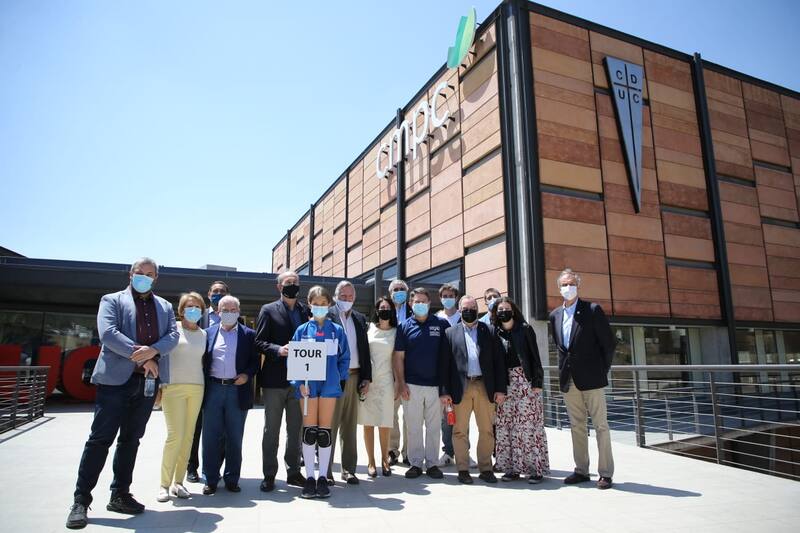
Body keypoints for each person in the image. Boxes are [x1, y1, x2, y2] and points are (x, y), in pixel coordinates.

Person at [67, 258, 179, 530]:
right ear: (130, 274)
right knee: (100, 439)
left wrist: (153, 352)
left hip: (146, 385)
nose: (144, 277)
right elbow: (108, 334)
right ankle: (81, 500)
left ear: (156, 279)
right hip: (115, 383)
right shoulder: (112, 300)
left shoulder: (164, 306)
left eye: (150, 274)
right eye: (140, 273)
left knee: (131, 440)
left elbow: (172, 336)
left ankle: (120, 494)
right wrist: (144, 357)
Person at [549, 269, 616, 489]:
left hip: (593, 379)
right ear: (559, 288)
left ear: (577, 285)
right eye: (564, 285)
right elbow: (560, 348)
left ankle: (605, 473)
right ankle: (581, 470)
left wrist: (601, 370)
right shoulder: (555, 315)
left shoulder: (592, 310)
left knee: (601, 426)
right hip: (569, 380)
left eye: (571, 284)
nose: (567, 288)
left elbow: (608, 344)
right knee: (576, 426)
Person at [291, 285, 350, 498]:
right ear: (309, 305)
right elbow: (294, 360)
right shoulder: (302, 330)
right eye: (315, 304)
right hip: (308, 386)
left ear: (329, 305)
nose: (319, 308)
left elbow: (345, 358)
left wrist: (340, 378)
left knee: (324, 432)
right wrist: (298, 383)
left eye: (323, 304)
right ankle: (309, 478)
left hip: (329, 386)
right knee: (309, 431)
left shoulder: (337, 330)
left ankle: (323, 477)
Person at [442, 295, 506, 484]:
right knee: (459, 430)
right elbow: (444, 365)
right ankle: (462, 469)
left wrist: (501, 389)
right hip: (460, 388)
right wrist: (444, 391)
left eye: (472, 308)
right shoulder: (450, 333)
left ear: (478, 310)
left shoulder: (490, 331)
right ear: (459, 311)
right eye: (465, 308)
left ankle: (485, 468)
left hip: (484, 386)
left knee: (486, 430)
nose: (468, 311)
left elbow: (499, 362)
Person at [255, 270, 308, 492]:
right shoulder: (268, 310)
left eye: (295, 282)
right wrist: (278, 350)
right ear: (279, 287)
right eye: (288, 283)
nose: (292, 286)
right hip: (275, 380)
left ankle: (294, 472)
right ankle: (269, 475)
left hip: (299, 381)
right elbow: (258, 341)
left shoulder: (306, 310)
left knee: (295, 430)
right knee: (272, 431)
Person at [201, 295, 258, 495]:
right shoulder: (206, 334)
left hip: (237, 390)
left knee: (235, 437)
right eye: (225, 309)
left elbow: (254, 362)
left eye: (234, 310)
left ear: (239, 312)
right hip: (213, 390)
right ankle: (210, 478)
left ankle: (232, 478)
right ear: (218, 312)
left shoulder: (249, 334)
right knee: (210, 437)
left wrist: (247, 375)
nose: (230, 313)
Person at [393, 287, 451, 479]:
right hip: (412, 386)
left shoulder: (441, 324)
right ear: (411, 304)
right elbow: (398, 357)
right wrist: (401, 384)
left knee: (434, 427)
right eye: (416, 301)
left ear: (429, 303)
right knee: (414, 426)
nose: (420, 304)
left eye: (423, 301)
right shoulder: (403, 327)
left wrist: (445, 387)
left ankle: (433, 464)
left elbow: (447, 357)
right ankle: (415, 463)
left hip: (435, 386)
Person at [493, 297, 550, 484]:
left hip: (525, 382)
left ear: (513, 310)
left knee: (527, 427)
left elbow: (535, 356)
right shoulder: (496, 333)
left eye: (506, 308)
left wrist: (537, 382)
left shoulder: (525, 329)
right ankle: (512, 469)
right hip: (504, 384)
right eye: (500, 309)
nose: (503, 312)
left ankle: (535, 470)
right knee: (506, 427)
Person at [157, 292, 206, 501]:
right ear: (181, 310)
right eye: (189, 306)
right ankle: (164, 485)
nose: (193, 310)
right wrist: (159, 386)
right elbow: (160, 357)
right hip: (173, 388)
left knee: (188, 437)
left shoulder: (204, 334)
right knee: (174, 436)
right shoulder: (172, 331)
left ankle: (178, 482)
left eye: (197, 306)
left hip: (197, 387)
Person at [328, 280, 371, 485]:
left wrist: (366, 378)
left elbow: (364, 350)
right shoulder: (326, 315)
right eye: (343, 297)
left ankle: (349, 470)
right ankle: (326, 472)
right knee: (330, 425)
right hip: (332, 378)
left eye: (350, 297)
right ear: (336, 297)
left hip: (354, 377)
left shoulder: (360, 318)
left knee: (349, 425)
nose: (347, 300)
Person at [186, 280, 229, 483]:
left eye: (222, 291)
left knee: (219, 429)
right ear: (208, 294)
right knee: (195, 426)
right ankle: (191, 467)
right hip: (196, 377)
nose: (218, 294)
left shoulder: (232, 318)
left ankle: (214, 468)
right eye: (215, 291)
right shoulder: (198, 317)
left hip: (218, 380)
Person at [358, 296, 397, 477]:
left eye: (387, 307)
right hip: (369, 381)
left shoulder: (397, 332)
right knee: (368, 422)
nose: (384, 310)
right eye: (381, 307)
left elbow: (399, 360)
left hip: (387, 381)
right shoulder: (369, 328)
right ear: (376, 310)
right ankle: (371, 461)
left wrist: (399, 383)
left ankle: (384, 460)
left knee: (384, 422)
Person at [434, 283, 469, 468]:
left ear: (456, 297)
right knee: (446, 416)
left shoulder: (463, 317)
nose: (448, 298)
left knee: (463, 416)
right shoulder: (436, 319)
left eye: (451, 295)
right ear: (440, 298)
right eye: (444, 295)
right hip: (444, 373)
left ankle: (465, 451)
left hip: (462, 372)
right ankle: (448, 452)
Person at [388, 278, 412, 466]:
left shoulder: (415, 311)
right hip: (389, 370)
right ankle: (392, 450)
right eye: (395, 289)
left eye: (401, 289)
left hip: (411, 370)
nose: (398, 292)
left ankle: (408, 452)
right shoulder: (384, 312)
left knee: (410, 414)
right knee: (391, 413)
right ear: (390, 293)